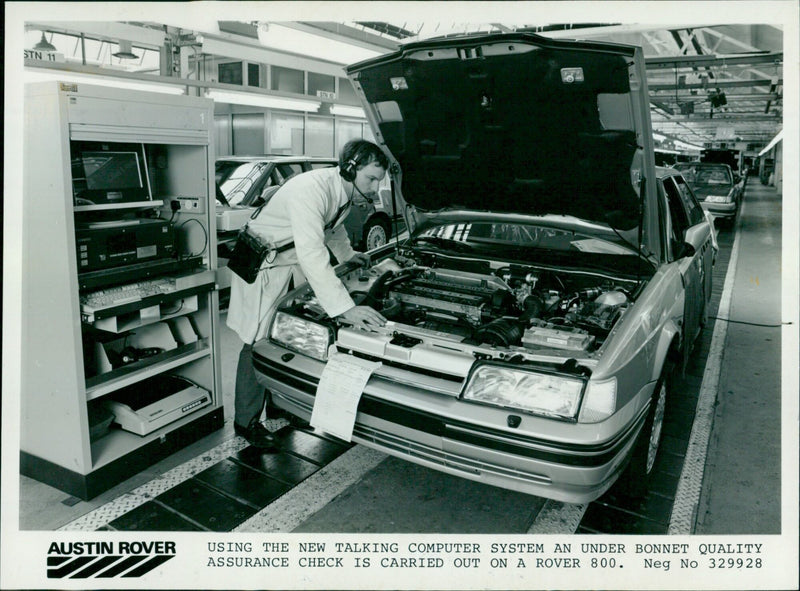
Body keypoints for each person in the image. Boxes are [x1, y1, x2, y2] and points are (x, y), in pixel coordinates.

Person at [226, 139, 389, 450]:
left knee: (288, 336)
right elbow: (312, 253)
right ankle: (245, 422)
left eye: (379, 180)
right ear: (351, 169)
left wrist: (348, 256)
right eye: (370, 178)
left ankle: (280, 406)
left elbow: (333, 228)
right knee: (257, 340)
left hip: (288, 265)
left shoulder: (341, 192)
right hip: (264, 266)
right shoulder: (311, 189)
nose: (374, 188)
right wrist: (343, 309)